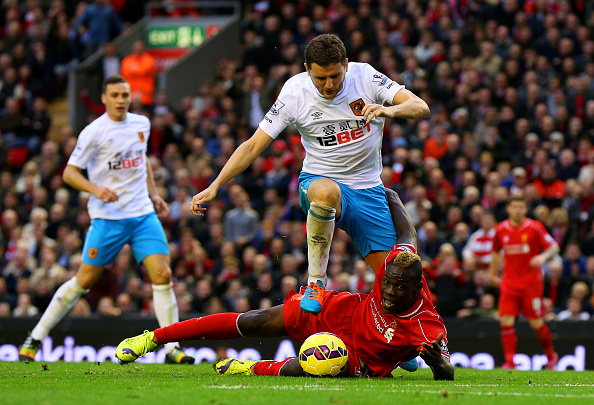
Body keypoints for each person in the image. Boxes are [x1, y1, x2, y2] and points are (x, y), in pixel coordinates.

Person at [190, 34, 429, 315]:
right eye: (321, 78)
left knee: (396, 279)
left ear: (346, 66)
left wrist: (390, 110)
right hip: (317, 181)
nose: (329, 84)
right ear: (307, 69)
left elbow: (420, 106)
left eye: (335, 76)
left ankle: (408, 345)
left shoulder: (365, 77)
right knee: (327, 192)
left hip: (367, 188)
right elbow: (253, 145)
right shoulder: (294, 92)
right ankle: (316, 283)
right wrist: (217, 184)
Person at [117, 190, 454, 380]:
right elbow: (406, 233)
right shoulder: (399, 261)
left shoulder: (427, 324)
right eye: (388, 284)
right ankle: (153, 337)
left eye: (399, 288)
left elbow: (447, 372)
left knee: (316, 364)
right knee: (253, 321)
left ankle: (252, 368)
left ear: (418, 288)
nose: (390, 291)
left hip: (360, 358)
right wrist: (388, 194)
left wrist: (439, 365)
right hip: (342, 311)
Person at [18, 75, 193, 365]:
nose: (121, 100)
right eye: (115, 95)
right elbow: (69, 173)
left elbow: (142, 159)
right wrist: (96, 189)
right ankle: (35, 337)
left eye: (125, 94)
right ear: (104, 98)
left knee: (163, 275)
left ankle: (172, 347)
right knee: (83, 281)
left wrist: (154, 194)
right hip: (108, 219)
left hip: (142, 215)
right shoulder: (93, 132)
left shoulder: (141, 124)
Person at [489, 194, 560, 370]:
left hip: (531, 283)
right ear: (509, 209)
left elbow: (554, 246)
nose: (518, 211)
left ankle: (551, 356)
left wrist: (542, 257)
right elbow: (496, 252)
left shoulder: (535, 227)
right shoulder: (500, 229)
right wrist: (492, 274)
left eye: (521, 207)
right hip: (509, 283)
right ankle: (510, 362)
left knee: (536, 323)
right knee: (506, 321)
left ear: (525, 209)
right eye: (515, 207)